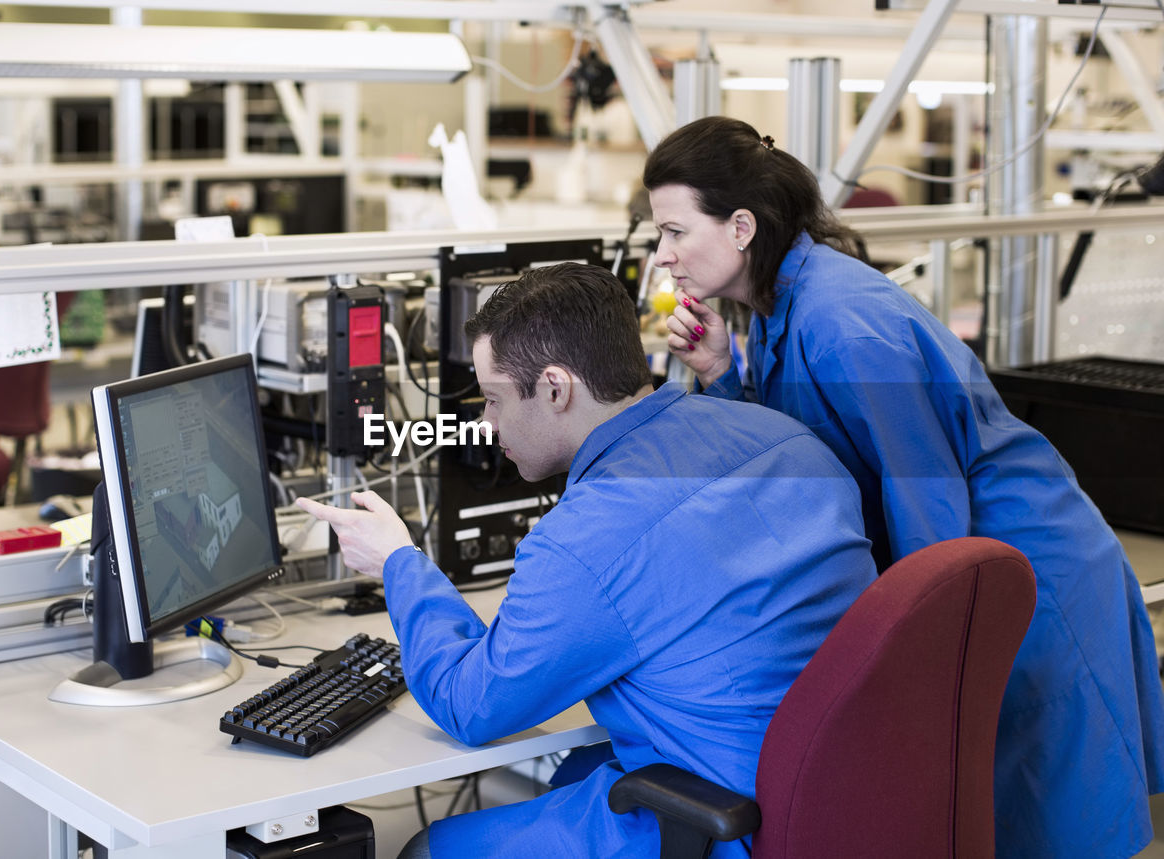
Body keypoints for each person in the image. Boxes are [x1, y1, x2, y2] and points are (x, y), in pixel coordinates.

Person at [645, 115, 1164, 858]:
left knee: (1049, 815)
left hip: (1022, 563)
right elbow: (808, 457)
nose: (664, 257)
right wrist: (725, 373)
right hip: (971, 552)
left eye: (671, 232)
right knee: (990, 807)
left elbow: (926, 495)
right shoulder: (776, 308)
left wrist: (919, 646)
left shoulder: (843, 319)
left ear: (738, 226)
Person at [298, 262, 876, 857]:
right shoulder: (788, 439)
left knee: (427, 848)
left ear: (555, 388)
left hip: (735, 824)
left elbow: (468, 705)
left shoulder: (587, 540)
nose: (484, 422)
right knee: (574, 772)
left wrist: (399, 560)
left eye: (494, 399)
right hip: (848, 791)